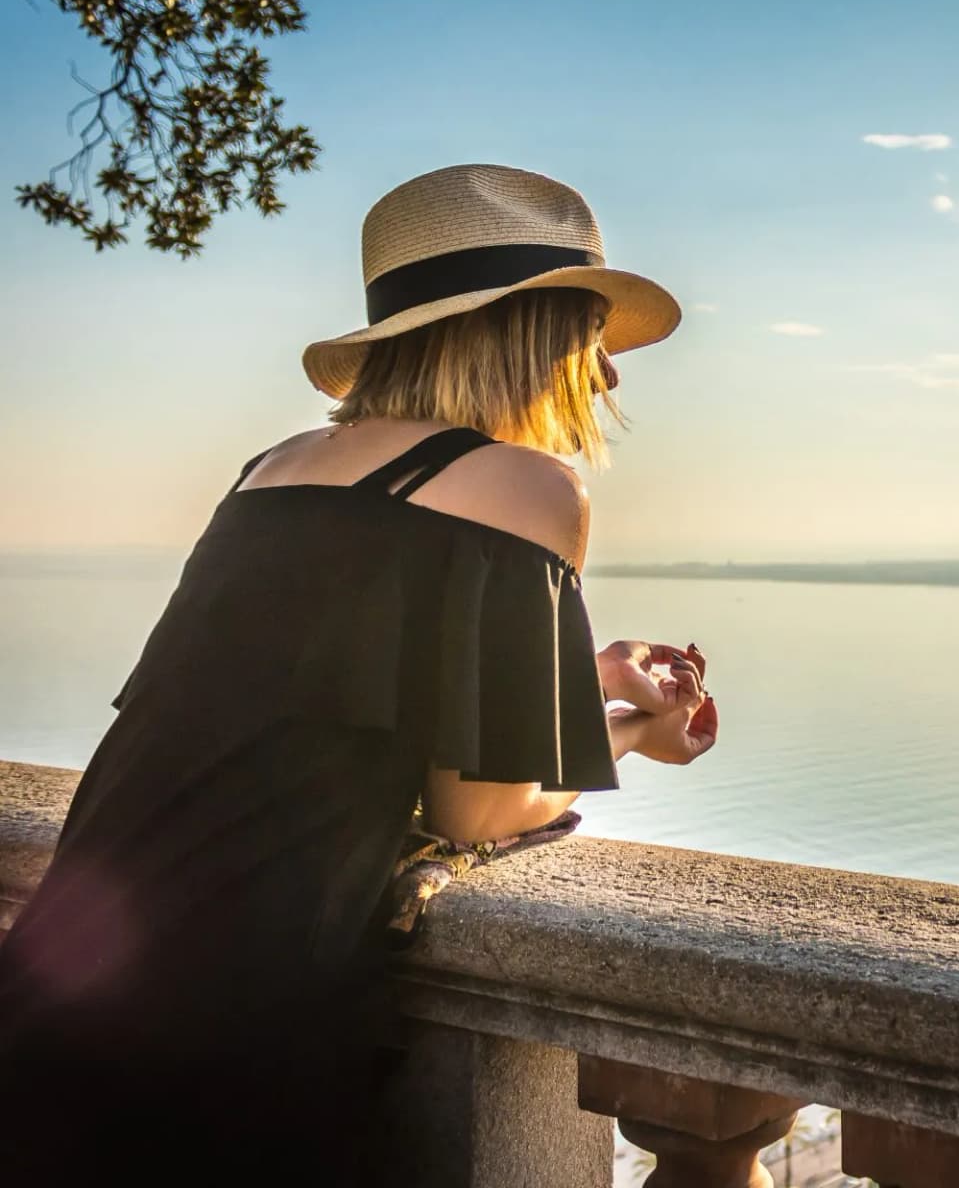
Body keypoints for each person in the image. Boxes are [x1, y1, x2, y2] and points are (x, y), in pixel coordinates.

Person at [0, 164, 715, 1182]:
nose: (607, 377)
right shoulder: (528, 486)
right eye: (593, 340)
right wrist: (632, 731)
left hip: (59, 991)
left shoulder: (274, 467)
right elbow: (481, 810)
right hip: (225, 1027)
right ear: (538, 335)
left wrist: (573, 670)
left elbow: (290, 690)